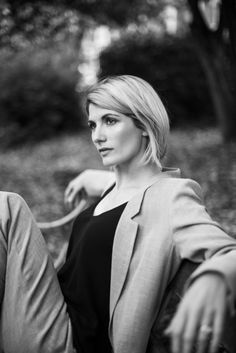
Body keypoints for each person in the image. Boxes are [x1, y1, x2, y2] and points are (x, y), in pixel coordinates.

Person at [0, 74, 235, 353]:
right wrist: (95, 179)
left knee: (7, 207)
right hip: (51, 313)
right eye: (92, 124)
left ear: (144, 125)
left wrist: (215, 278)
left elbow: (228, 252)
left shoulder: (173, 196)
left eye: (110, 121)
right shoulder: (114, 191)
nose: (97, 136)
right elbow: (125, 198)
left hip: (71, 341)